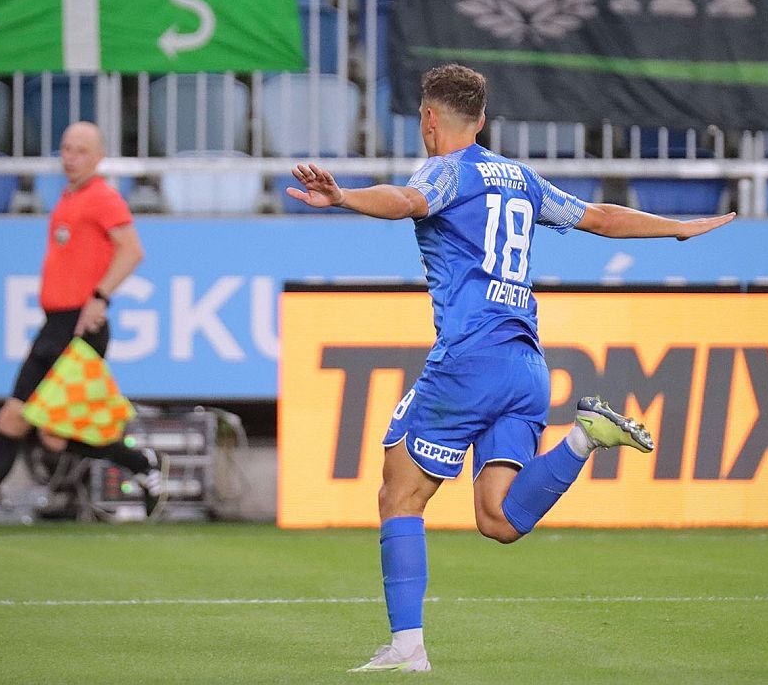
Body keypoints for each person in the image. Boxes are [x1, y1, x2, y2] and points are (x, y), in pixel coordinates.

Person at [287, 64, 735, 673]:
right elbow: (600, 217)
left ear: (428, 118)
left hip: (470, 359)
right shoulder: (521, 178)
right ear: (482, 121)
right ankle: (583, 438)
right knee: (499, 518)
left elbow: (407, 201)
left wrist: (343, 197)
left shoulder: (446, 171)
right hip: (527, 366)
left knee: (399, 494)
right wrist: (677, 228)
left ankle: (408, 648)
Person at [0, 121, 167, 535]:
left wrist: (100, 296)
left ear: (99, 157)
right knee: (27, 424)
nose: (70, 157)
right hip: (55, 325)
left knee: (36, 426)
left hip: (78, 327)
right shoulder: (69, 197)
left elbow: (132, 250)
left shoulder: (103, 197)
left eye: (81, 151)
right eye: (66, 149)